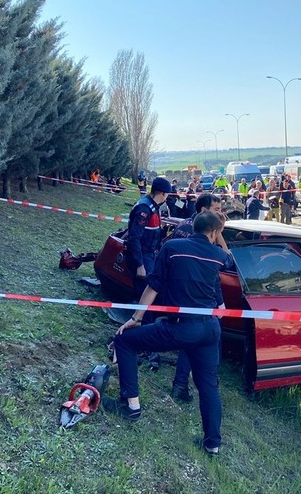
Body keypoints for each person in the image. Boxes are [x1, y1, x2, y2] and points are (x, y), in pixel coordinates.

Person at [111, 211, 232, 456]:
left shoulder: (172, 247)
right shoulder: (219, 256)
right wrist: (219, 234)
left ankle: (131, 405)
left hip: (181, 326)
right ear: (213, 233)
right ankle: (213, 444)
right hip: (210, 329)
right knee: (208, 386)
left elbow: (153, 286)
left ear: (193, 227)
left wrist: (136, 318)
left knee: (124, 340)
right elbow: (227, 259)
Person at [169, 195, 229, 401]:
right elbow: (223, 262)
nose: (220, 213)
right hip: (198, 297)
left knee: (190, 339)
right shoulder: (204, 237)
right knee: (199, 340)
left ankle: (183, 384)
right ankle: (189, 384)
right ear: (205, 210)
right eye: (216, 209)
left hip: (177, 293)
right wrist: (219, 232)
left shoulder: (184, 225)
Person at [125, 177, 173, 299]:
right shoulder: (144, 208)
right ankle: (141, 317)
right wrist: (139, 264)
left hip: (149, 253)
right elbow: (134, 237)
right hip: (143, 255)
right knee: (145, 293)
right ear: (163, 194)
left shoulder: (152, 206)